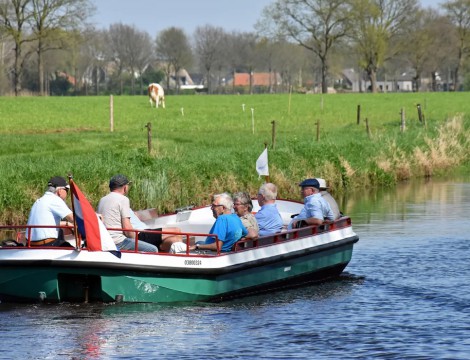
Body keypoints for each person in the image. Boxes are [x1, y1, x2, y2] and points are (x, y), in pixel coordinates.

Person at [97, 174, 157, 252]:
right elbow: (127, 229)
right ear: (125, 187)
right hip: (119, 242)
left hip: (105, 241)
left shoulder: (102, 200)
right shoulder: (123, 199)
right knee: (153, 249)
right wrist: (138, 241)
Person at [26, 176, 74, 246]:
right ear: (60, 191)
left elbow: (46, 222)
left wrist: (67, 224)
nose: (67, 193)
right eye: (66, 190)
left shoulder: (39, 200)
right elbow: (73, 218)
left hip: (30, 244)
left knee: (60, 231)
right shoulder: (55, 200)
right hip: (47, 244)